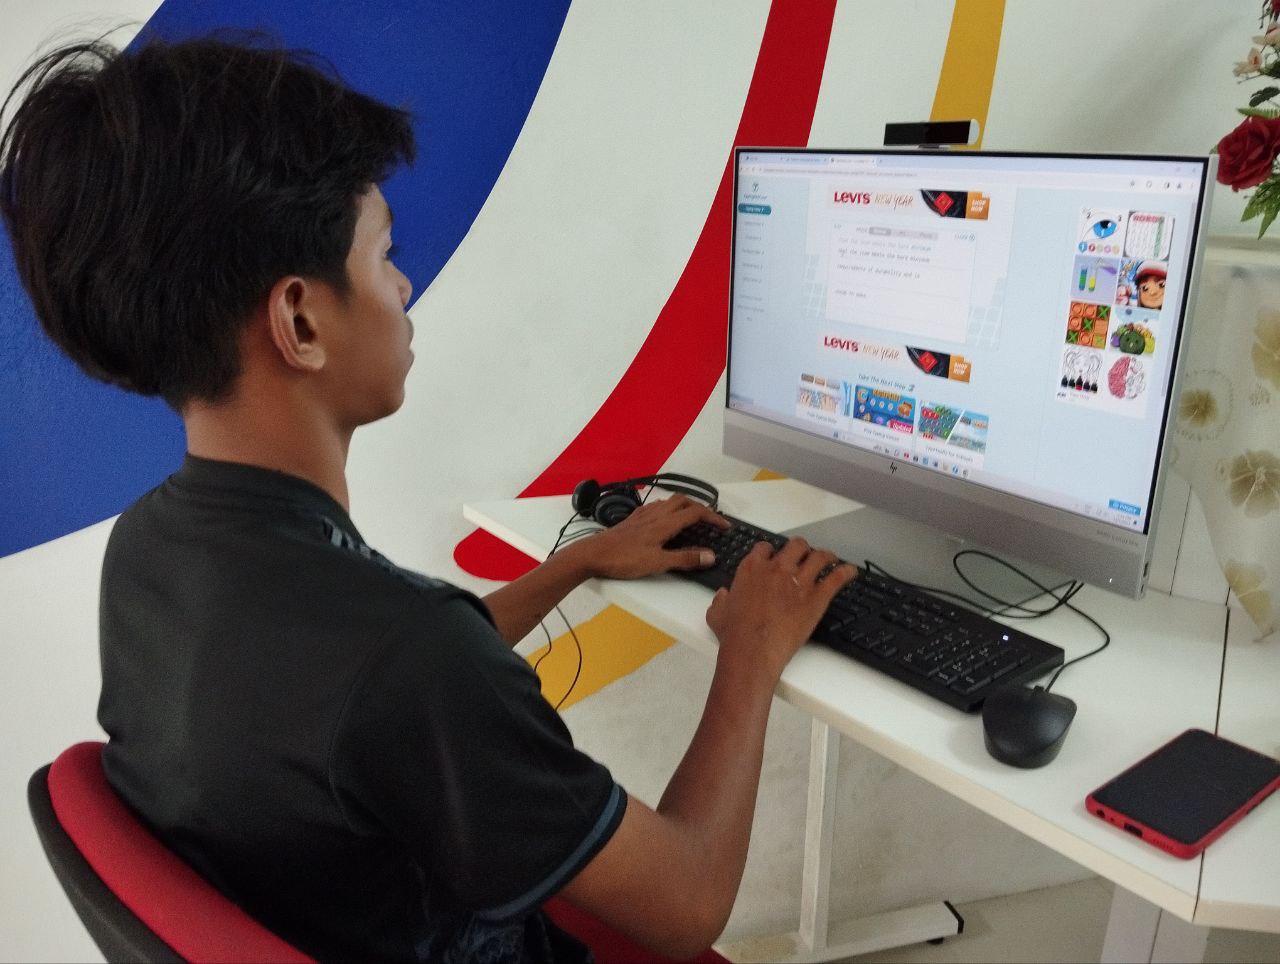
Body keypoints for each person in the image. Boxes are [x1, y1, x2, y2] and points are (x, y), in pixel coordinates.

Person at [0, 32, 856, 963]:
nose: (404, 284)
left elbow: (372, 706)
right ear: (300, 320)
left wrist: (577, 564)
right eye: (385, 254)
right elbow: (687, 907)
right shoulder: (404, 656)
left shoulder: (152, 551)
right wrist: (751, 653)